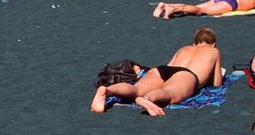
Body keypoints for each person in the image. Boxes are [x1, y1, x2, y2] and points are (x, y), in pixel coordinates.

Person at [92, 28, 223, 116]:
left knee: (135, 89)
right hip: (186, 75)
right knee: (168, 93)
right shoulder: (214, 51)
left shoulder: (184, 48)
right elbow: (217, 83)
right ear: (213, 44)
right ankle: (147, 99)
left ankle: (108, 90)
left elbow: (170, 65)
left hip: (162, 70)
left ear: (194, 43)